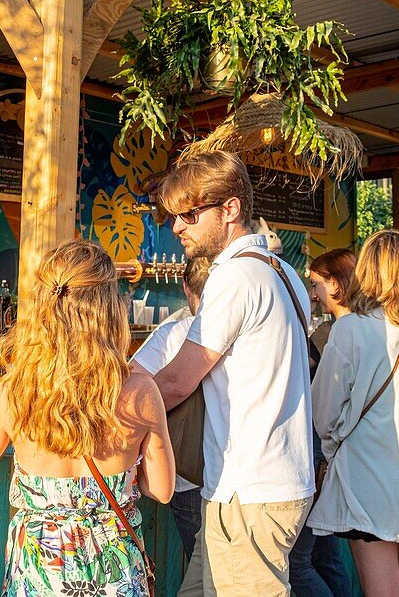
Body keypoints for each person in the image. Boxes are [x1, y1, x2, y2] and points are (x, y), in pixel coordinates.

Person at [0, 240, 174, 596]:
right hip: (114, 572)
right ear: (109, 309)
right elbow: (161, 491)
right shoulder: (140, 392)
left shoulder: (13, 393)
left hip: (40, 574)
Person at [151, 150, 314, 596]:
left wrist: (101, 415)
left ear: (230, 209)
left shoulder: (236, 276)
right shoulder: (281, 271)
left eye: (188, 214)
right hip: (258, 482)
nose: (177, 227)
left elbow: (176, 381)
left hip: (250, 487)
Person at [309, 230, 399, 597]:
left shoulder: (350, 329)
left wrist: (332, 449)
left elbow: (323, 411)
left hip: (367, 476)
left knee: (383, 588)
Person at [130, 258, 211, 564]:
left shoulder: (174, 333)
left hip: (188, 472)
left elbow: (130, 388)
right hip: (237, 473)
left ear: (186, 287)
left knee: (202, 569)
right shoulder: (247, 334)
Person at [289, 248, 356, 597]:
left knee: (302, 562)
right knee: (327, 557)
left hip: (323, 458)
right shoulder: (368, 329)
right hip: (341, 461)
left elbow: (321, 407)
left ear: (336, 284)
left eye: (316, 284)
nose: (313, 294)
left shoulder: (333, 335)